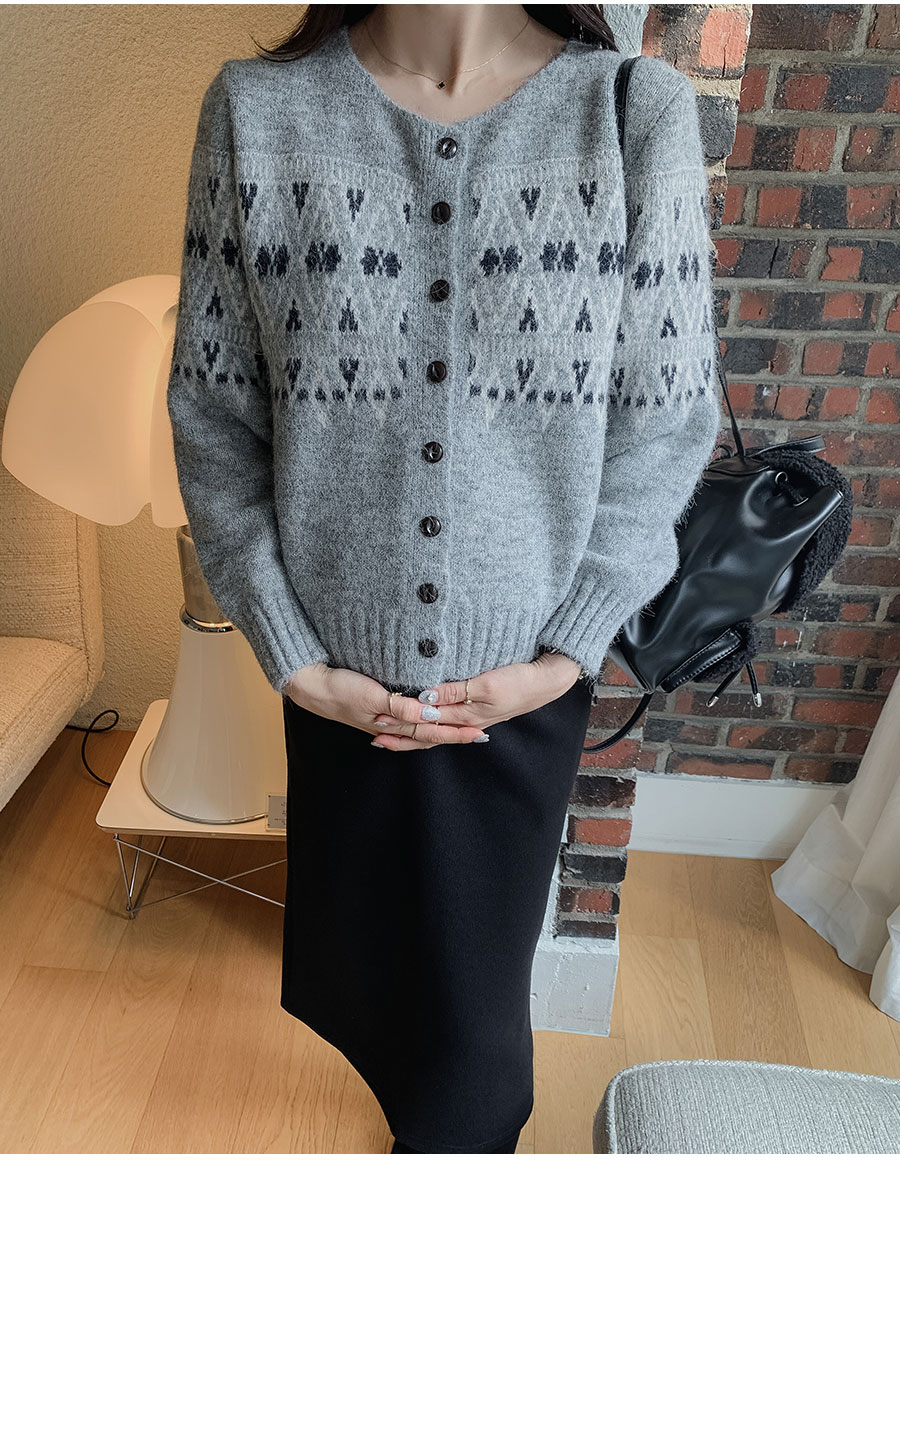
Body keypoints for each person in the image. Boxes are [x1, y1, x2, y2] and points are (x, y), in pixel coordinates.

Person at [166, 4, 722, 1153]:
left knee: (476, 1053)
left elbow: (664, 417)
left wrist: (566, 651)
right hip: (340, 692)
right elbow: (216, 415)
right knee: (373, 992)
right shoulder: (258, 116)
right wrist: (291, 653)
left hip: (521, 697)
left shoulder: (628, 116)